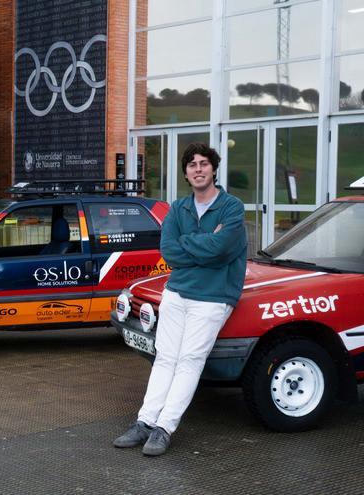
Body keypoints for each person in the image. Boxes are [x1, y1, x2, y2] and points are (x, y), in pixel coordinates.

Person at [113, 142, 246, 456]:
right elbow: (169, 251)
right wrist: (202, 244)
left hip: (213, 296)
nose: (198, 169)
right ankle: (144, 422)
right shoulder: (178, 208)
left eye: (203, 163)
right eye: (192, 165)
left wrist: (193, 246)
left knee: (189, 361)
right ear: (186, 173)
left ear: (213, 168)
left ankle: (164, 428)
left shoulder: (232, 207)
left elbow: (221, 249)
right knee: (165, 358)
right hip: (177, 292)